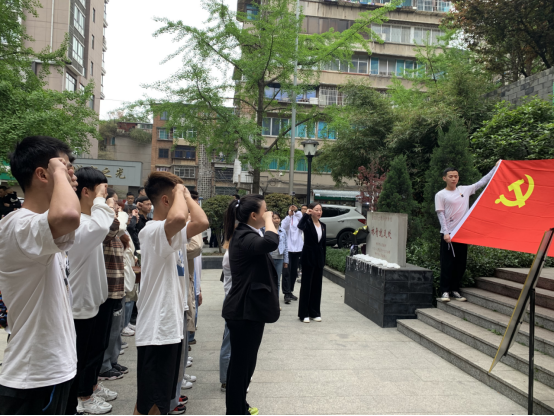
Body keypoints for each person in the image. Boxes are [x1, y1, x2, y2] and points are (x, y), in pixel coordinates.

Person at [0, 136, 80, 415]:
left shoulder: (40, 229)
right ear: (42, 174)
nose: (73, 176)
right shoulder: (19, 226)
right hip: (33, 378)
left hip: (51, 370)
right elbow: (68, 215)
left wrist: (59, 170)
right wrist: (58, 169)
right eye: (66, 167)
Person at [134, 172, 201, 416]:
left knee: (158, 399)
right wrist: (180, 190)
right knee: (151, 403)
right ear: (165, 200)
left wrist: (184, 194)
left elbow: (201, 222)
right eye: (178, 197)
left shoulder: (169, 232)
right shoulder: (152, 231)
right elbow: (181, 217)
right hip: (157, 329)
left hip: (167, 327)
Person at [66, 168, 118, 415]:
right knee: (81, 357)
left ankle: (89, 389)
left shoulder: (88, 221)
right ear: (85, 191)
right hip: (79, 304)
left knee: (94, 351)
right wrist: (100, 201)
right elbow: (101, 226)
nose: (104, 195)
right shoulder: (79, 223)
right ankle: (82, 397)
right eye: (100, 190)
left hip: (92, 300)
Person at [222, 195, 280, 415]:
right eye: (265, 211)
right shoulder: (245, 235)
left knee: (244, 365)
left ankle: (239, 406)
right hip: (244, 311)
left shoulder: (246, 234)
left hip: (248, 310)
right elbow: (271, 242)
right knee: (241, 367)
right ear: (254, 215)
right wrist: (270, 221)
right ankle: (235, 411)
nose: (268, 214)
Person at [436, 162, 500, 303]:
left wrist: (496, 167)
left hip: (462, 234)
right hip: (449, 234)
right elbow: (441, 214)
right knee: (447, 264)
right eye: (450, 176)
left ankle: (455, 290)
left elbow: (482, 182)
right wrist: (446, 233)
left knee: (460, 264)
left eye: (456, 176)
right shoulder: (441, 194)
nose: (453, 178)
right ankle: (445, 291)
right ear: (444, 178)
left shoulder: (464, 190)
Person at [170, 190, 209, 414]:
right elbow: (195, 247)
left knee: (183, 348)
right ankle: (172, 396)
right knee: (177, 350)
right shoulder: (170, 230)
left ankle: (175, 391)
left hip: (188, 286)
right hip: (176, 298)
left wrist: (198, 288)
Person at [99, 190, 129, 382]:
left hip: (118, 286)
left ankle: (112, 360)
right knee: (107, 331)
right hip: (108, 288)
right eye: (113, 204)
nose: (117, 208)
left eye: (117, 204)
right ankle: (104, 366)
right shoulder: (106, 229)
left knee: (116, 329)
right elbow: (115, 227)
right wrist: (112, 213)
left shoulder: (117, 233)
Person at [297, 202, 326, 324]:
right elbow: (300, 226)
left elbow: (323, 244)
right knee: (306, 286)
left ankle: (315, 312)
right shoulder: (307, 223)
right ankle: (304, 314)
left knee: (317, 286)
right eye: (316, 209)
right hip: (308, 258)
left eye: (320, 210)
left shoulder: (323, 225)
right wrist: (305, 215)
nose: (319, 212)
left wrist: (324, 259)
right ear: (311, 211)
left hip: (319, 259)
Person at [282, 205, 303, 304]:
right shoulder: (285, 220)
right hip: (288, 250)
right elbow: (284, 227)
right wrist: (289, 215)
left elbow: (301, 219)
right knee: (287, 272)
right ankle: (286, 293)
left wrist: (297, 210)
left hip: (298, 249)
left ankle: (290, 291)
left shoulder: (299, 219)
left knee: (294, 272)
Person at [270, 212, 289, 295]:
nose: (277, 220)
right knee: (269, 280)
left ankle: (276, 300)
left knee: (277, 281)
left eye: (278, 218)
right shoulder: (267, 230)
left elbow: (286, 247)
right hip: (270, 258)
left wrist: (286, 261)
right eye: (274, 218)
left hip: (280, 259)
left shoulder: (283, 231)